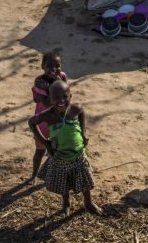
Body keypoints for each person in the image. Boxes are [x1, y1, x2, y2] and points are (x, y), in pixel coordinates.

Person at [28, 80, 103, 216]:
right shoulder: (48, 115)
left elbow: (81, 112)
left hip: (79, 156)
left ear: (70, 96)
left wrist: (83, 132)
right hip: (59, 158)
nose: (61, 100)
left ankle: (88, 202)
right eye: (56, 98)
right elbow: (31, 122)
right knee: (64, 184)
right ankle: (66, 203)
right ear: (50, 99)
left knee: (85, 180)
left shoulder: (75, 109)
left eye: (65, 96)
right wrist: (45, 142)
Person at [29, 52, 68, 184]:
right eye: (49, 66)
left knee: (58, 150)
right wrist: (57, 85)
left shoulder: (62, 76)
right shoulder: (40, 82)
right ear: (42, 66)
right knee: (40, 150)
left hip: (59, 120)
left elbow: (66, 95)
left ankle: (54, 175)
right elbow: (46, 103)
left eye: (57, 65)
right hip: (43, 123)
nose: (53, 69)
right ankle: (34, 175)